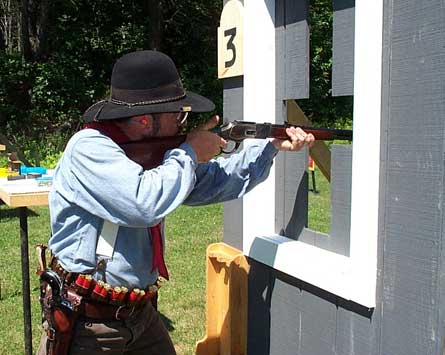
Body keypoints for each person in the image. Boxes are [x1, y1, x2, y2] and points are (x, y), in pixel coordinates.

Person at [37, 50, 314, 355]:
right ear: (144, 120)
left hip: (139, 312)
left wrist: (271, 146)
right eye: (178, 115)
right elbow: (143, 203)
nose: (183, 123)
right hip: (90, 322)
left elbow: (215, 181)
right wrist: (190, 152)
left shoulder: (156, 156)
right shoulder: (89, 148)